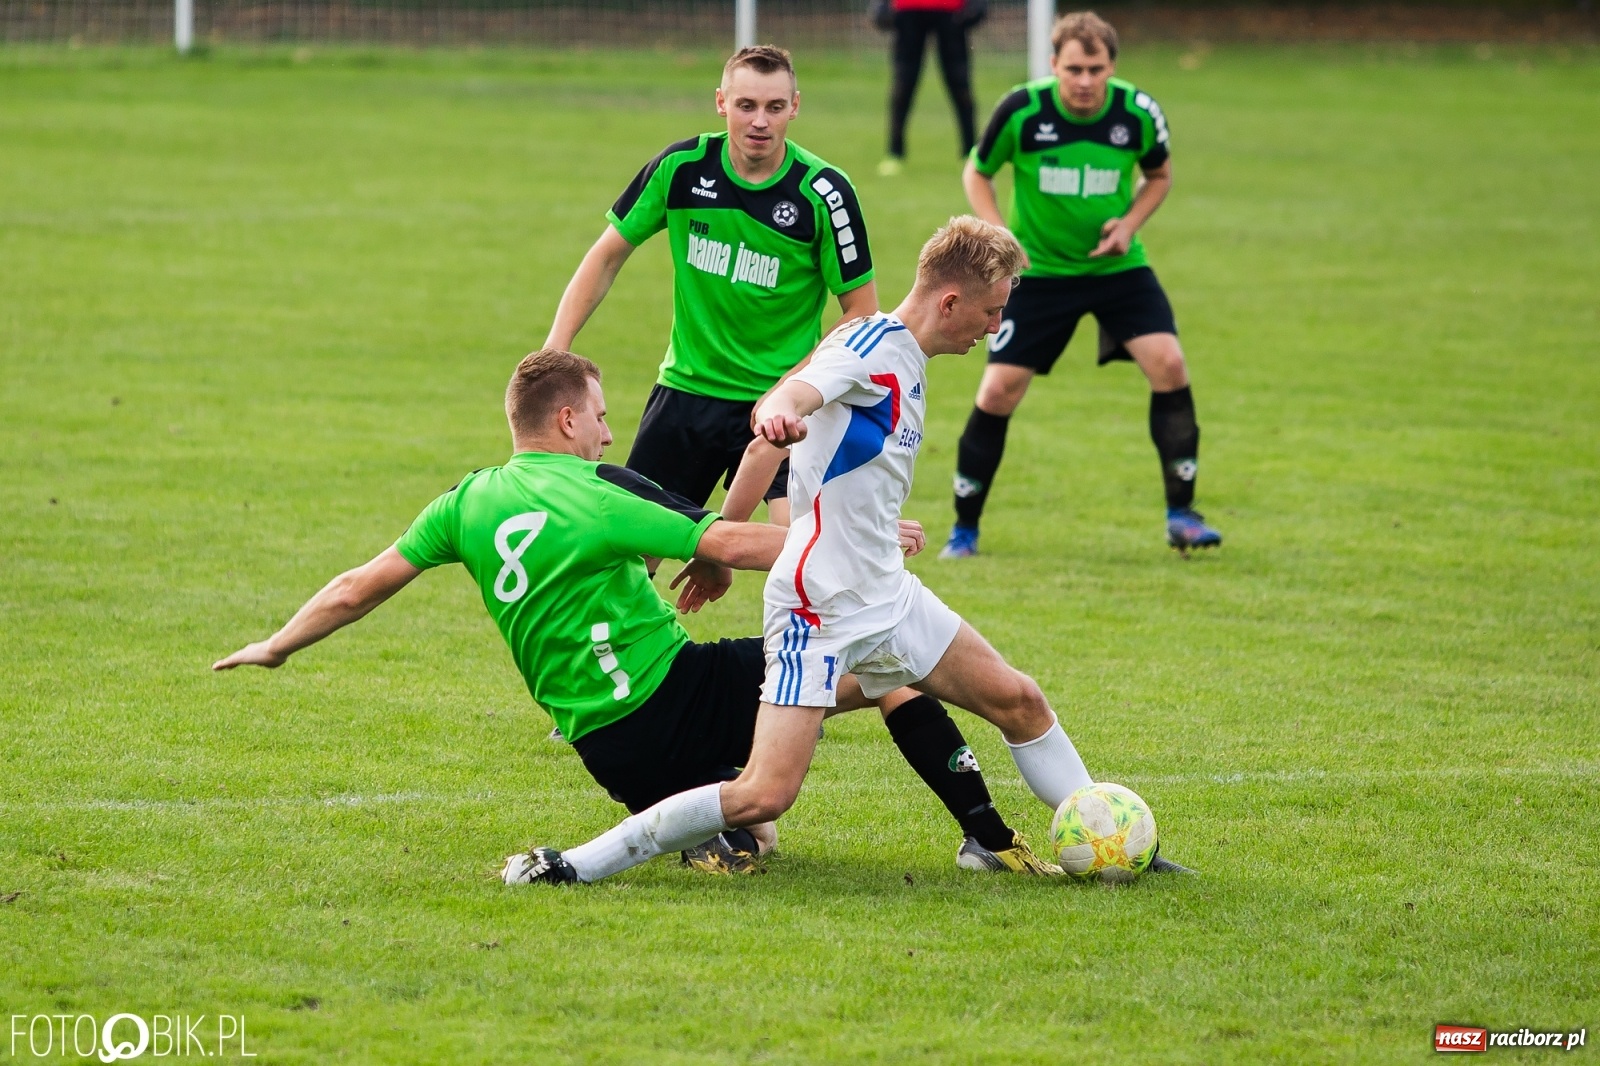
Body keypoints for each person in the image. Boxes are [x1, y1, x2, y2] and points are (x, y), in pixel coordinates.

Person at [506, 219, 1192, 886]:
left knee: (1020, 700)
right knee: (763, 795)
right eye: (989, 312)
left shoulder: (910, 357)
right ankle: (573, 865)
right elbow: (793, 397)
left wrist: (747, 521)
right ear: (948, 301)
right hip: (818, 608)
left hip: (884, 592)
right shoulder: (865, 348)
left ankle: (1112, 843)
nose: (994, 328)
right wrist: (781, 405)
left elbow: (764, 455)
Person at [214, 348, 1050, 877]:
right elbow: (727, 542)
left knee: (758, 838)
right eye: (604, 418)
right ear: (568, 418)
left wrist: (278, 644)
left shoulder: (464, 504)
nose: (612, 437)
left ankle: (708, 830)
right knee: (889, 664)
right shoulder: (594, 491)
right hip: (674, 692)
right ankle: (985, 836)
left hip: (608, 750)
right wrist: (856, 539)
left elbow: (358, 586)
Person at [545, 45, 877, 527]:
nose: (760, 121)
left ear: (795, 107)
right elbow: (606, 257)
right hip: (688, 393)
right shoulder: (682, 169)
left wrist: (790, 389)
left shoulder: (824, 192)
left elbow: (861, 314)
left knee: (793, 551)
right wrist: (555, 349)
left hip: (781, 405)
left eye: (774, 107)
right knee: (631, 555)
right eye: (746, 106)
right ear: (721, 102)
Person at [940, 11, 1223, 559]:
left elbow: (1159, 175)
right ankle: (965, 528)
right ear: (1054, 66)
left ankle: (1182, 515)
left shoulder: (1137, 113)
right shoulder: (1022, 110)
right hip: (1039, 274)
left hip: (1116, 269)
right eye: (1074, 68)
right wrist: (998, 232)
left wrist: (1129, 224)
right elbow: (978, 170)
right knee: (998, 391)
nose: (1086, 80)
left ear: (1111, 66)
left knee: (1170, 365)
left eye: (1096, 68)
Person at [878, 0, 980, 178]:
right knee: (903, 85)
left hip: (951, 10)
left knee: (960, 85)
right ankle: (894, 153)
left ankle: (971, 152)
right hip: (907, 9)